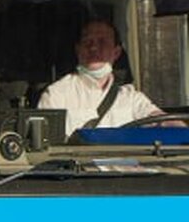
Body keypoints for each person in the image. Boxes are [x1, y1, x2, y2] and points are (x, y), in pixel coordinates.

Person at [38, 19, 166, 137]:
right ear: (78, 50)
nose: (93, 48)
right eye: (87, 42)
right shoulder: (56, 95)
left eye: (102, 42)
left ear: (116, 53)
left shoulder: (131, 98)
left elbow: (163, 121)